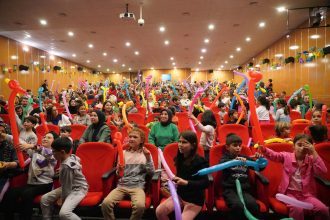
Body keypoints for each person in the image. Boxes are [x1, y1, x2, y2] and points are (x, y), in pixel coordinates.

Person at [258, 134, 329, 220]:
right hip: (289, 194)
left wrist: (314, 152)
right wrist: (264, 149)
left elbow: (323, 171)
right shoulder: (287, 156)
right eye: (299, 145)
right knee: (297, 209)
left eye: (305, 145)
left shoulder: (311, 159)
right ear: (293, 146)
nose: (302, 148)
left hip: (306, 195)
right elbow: (275, 155)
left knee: (323, 209)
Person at [2, 131, 59, 220]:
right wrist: (5, 135)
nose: (45, 138)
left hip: (45, 184)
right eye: (44, 137)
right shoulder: (35, 152)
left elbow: (45, 152)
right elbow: (20, 141)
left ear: (55, 141)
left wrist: (31, 145)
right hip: (31, 184)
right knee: (11, 193)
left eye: (49, 137)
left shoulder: (54, 154)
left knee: (27, 194)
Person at [101, 128, 154, 220]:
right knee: (105, 203)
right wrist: (119, 170)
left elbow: (152, 173)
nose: (131, 139)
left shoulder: (146, 154)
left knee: (140, 206)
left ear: (141, 140)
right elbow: (118, 174)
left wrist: (148, 158)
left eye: (135, 137)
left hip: (137, 187)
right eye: (130, 137)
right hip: (122, 186)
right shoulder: (123, 153)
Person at [156, 131, 209, 220]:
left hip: (194, 201)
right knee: (159, 212)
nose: (180, 144)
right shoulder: (179, 158)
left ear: (193, 145)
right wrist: (176, 179)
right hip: (180, 196)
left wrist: (186, 183)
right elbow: (182, 175)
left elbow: (205, 183)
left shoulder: (200, 161)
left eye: (184, 142)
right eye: (179, 141)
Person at [41, 137, 88, 220]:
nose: (52, 153)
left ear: (62, 152)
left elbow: (67, 188)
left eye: (54, 151)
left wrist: (62, 199)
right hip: (69, 185)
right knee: (44, 199)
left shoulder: (66, 167)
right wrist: (63, 170)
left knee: (64, 213)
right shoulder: (71, 156)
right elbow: (78, 160)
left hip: (78, 188)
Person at [220, 134, 261, 219]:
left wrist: (259, 160)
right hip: (230, 190)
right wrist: (234, 160)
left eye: (240, 146)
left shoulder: (244, 158)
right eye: (235, 145)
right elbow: (222, 164)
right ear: (227, 147)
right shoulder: (224, 158)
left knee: (252, 205)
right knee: (237, 206)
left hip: (244, 190)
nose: (238, 148)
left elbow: (258, 167)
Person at [0, 122, 18, 194]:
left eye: (3, 132)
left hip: (5, 175)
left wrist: (7, 164)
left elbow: (16, 163)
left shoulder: (11, 146)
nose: (0, 134)